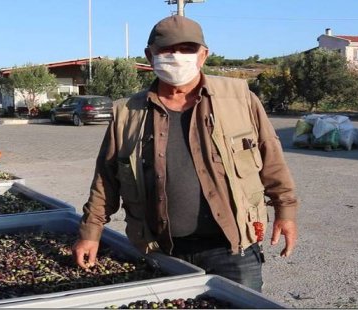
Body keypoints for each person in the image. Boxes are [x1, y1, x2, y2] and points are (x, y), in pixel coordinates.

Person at [72, 15, 299, 292]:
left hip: (232, 249)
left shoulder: (239, 97)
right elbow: (106, 180)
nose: (177, 56)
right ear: (149, 55)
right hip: (161, 250)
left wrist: (284, 211)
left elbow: (271, 158)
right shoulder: (126, 112)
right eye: (166, 49)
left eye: (187, 49)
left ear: (203, 55)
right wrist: (91, 233)